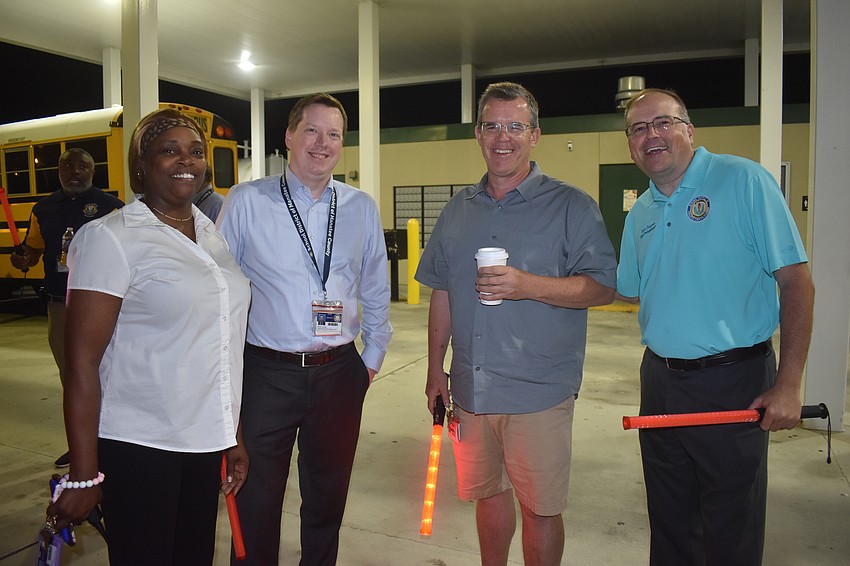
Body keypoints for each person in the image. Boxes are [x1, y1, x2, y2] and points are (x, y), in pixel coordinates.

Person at [415, 82, 617, 566]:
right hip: (471, 388)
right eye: (491, 126)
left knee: (541, 508)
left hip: (538, 392)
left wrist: (528, 284)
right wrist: (433, 371)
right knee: (488, 495)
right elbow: (441, 291)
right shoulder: (458, 209)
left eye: (515, 126)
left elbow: (602, 287)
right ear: (478, 134)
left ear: (535, 135)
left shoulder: (572, 206)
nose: (502, 137)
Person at [44, 108, 252, 565]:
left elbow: (219, 345)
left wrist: (231, 433)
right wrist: (83, 475)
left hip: (201, 444)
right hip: (140, 446)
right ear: (141, 164)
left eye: (196, 151)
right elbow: (81, 365)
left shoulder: (210, 234)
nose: (187, 161)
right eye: (169, 150)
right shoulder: (111, 238)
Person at [616, 88, 815, 566]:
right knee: (669, 521)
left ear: (689, 129)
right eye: (638, 129)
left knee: (730, 528)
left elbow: (797, 283)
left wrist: (788, 384)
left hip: (733, 381)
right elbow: (622, 289)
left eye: (662, 122)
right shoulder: (640, 211)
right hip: (660, 381)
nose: (651, 136)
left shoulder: (743, 180)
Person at [218, 92, 393, 565]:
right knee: (255, 498)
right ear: (289, 137)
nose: (322, 143)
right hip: (266, 375)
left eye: (333, 134)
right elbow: (221, 294)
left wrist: (369, 361)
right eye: (312, 131)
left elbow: (376, 287)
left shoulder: (359, 207)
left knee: (327, 497)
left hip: (339, 373)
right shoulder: (247, 202)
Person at [10, 147, 123, 468]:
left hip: (101, 306)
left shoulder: (111, 208)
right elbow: (32, 251)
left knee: (107, 374)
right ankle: (81, 444)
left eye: (82, 166)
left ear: (92, 171)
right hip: (60, 305)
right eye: (67, 165)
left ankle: (110, 444)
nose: (74, 171)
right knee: (71, 377)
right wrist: (23, 259)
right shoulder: (43, 209)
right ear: (58, 170)